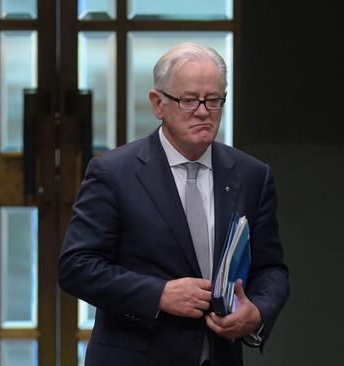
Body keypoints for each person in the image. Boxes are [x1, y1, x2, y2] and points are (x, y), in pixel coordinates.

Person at [58, 42, 289, 366]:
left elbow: (271, 269)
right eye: (189, 100)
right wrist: (159, 294)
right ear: (158, 103)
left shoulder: (252, 175)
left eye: (213, 100)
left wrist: (256, 313)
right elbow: (76, 267)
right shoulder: (114, 173)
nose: (203, 111)